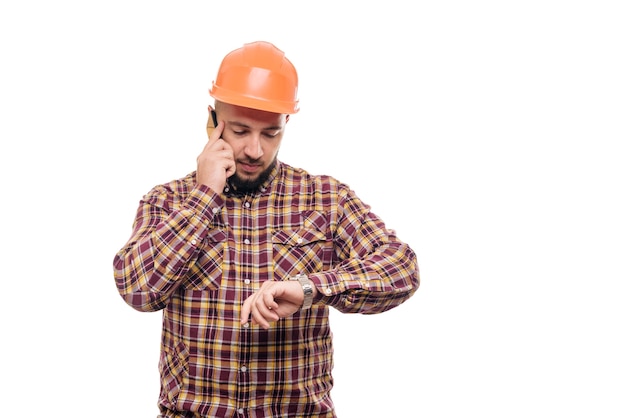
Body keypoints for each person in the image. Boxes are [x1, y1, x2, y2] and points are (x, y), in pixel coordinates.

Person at [113, 40, 420, 418]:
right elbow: (137, 289)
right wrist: (205, 196)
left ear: (285, 124)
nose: (255, 151)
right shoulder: (167, 201)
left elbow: (401, 268)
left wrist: (311, 288)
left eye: (270, 133)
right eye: (240, 131)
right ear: (212, 121)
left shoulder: (325, 198)